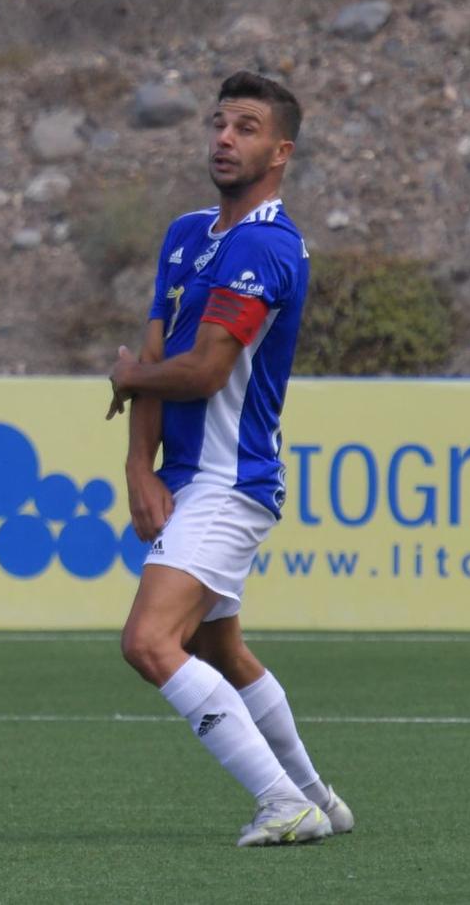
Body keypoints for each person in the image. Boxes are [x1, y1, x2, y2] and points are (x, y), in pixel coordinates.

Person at [106, 71, 353, 848]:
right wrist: (138, 468)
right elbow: (156, 353)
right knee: (219, 647)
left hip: (229, 481)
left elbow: (203, 371)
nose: (223, 138)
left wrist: (128, 377)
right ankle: (320, 798)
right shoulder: (186, 235)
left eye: (245, 127)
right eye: (218, 123)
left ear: (280, 152)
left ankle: (284, 804)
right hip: (183, 480)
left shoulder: (267, 246)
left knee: (149, 643)